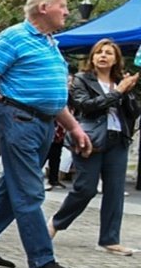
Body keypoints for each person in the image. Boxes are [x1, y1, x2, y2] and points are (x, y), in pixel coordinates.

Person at [0, 0, 91, 268]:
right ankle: (42, 262)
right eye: (62, 6)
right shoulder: (13, 37)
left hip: (44, 124)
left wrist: (73, 127)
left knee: (12, 187)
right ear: (43, 8)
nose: (67, 12)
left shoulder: (50, 43)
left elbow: (51, 96)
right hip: (18, 119)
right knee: (30, 191)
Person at [49, 38, 138, 255]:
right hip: (90, 140)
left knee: (115, 191)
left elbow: (134, 112)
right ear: (92, 57)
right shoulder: (82, 79)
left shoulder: (121, 81)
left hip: (118, 139)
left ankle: (109, 239)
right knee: (86, 189)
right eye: (99, 52)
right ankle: (56, 223)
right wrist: (117, 93)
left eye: (108, 53)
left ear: (116, 59)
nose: (103, 56)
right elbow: (85, 106)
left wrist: (127, 92)